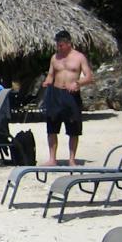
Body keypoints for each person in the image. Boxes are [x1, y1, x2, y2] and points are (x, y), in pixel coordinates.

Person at [40, 30, 94, 166]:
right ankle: (52, 158)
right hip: (55, 93)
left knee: (73, 128)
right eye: (58, 45)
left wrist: (78, 83)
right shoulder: (55, 57)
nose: (59, 48)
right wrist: (47, 81)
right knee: (52, 127)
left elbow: (89, 77)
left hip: (71, 95)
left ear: (69, 43)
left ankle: (72, 159)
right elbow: (51, 75)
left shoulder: (79, 57)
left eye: (62, 45)